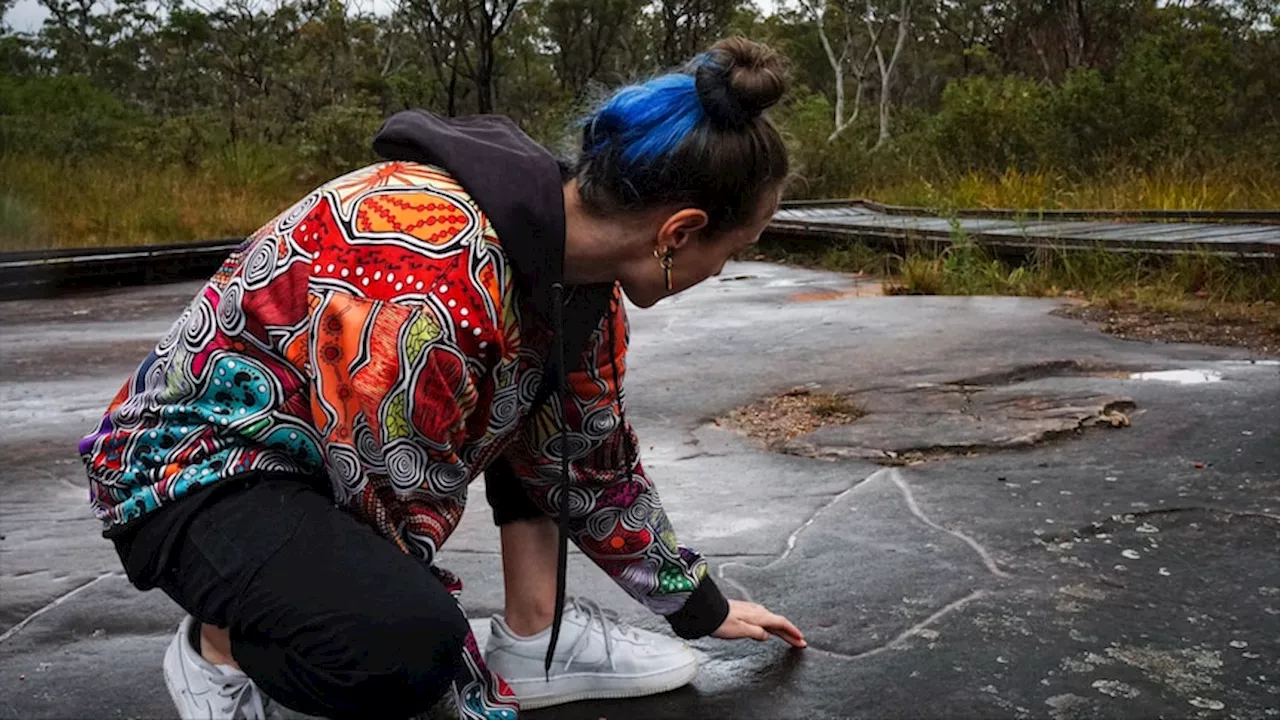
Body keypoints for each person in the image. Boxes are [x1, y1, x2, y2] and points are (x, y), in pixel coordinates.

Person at [79, 36, 806, 720]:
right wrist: (467, 692)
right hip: (194, 477)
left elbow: (590, 466)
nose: (723, 272)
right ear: (679, 232)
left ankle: (538, 636)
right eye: (733, 252)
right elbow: (386, 512)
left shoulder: (583, 290)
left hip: (326, 476)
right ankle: (218, 650)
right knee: (402, 649)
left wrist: (700, 606)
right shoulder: (431, 271)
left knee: (544, 426)